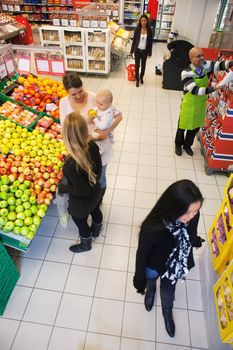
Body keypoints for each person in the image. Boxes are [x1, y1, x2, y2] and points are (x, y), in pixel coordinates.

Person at [133, 179, 204, 337]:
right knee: (151, 281)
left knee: (168, 290)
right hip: (153, 265)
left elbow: (190, 234)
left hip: (173, 267)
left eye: (196, 211)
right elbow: (142, 254)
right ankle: (151, 291)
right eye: (188, 212)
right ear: (174, 207)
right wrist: (139, 279)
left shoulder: (192, 215)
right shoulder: (152, 228)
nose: (192, 216)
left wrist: (195, 241)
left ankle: (167, 310)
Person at [59, 72, 122, 200]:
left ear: (83, 86)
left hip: (99, 148)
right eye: (73, 94)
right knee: (84, 179)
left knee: (100, 177)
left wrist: (106, 131)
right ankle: (90, 200)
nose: (78, 96)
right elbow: (64, 126)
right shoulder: (63, 103)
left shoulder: (95, 98)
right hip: (79, 151)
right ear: (67, 92)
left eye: (80, 91)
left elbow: (118, 115)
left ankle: (99, 200)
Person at [175, 47, 233, 157]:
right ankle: (178, 144)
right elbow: (195, 90)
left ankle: (187, 145)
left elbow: (220, 65)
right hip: (189, 103)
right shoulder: (186, 72)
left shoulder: (206, 65)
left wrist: (230, 63)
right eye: (198, 56)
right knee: (182, 126)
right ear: (191, 58)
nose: (202, 58)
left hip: (201, 103)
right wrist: (214, 88)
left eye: (202, 55)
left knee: (195, 126)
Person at [58, 112, 103, 253]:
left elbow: (82, 190)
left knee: (80, 221)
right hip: (96, 191)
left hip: (81, 202)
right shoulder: (93, 146)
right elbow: (100, 170)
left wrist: (62, 188)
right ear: (85, 130)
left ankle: (86, 243)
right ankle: (97, 229)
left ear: (66, 137)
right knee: (96, 210)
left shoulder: (70, 164)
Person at [130, 14, 153, 87]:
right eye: (142, 21)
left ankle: (141, 77)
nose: (143, 22)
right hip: (137, 50)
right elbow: (134, 41)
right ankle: (137, 79)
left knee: (143, 66)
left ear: (147, 21)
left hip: (145, 51)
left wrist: (150, 52)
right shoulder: (137, 29)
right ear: (140, 21)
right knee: (137, 66)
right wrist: (131, 51)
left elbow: (150, 43)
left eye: (145, 21)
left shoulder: (149, 30)